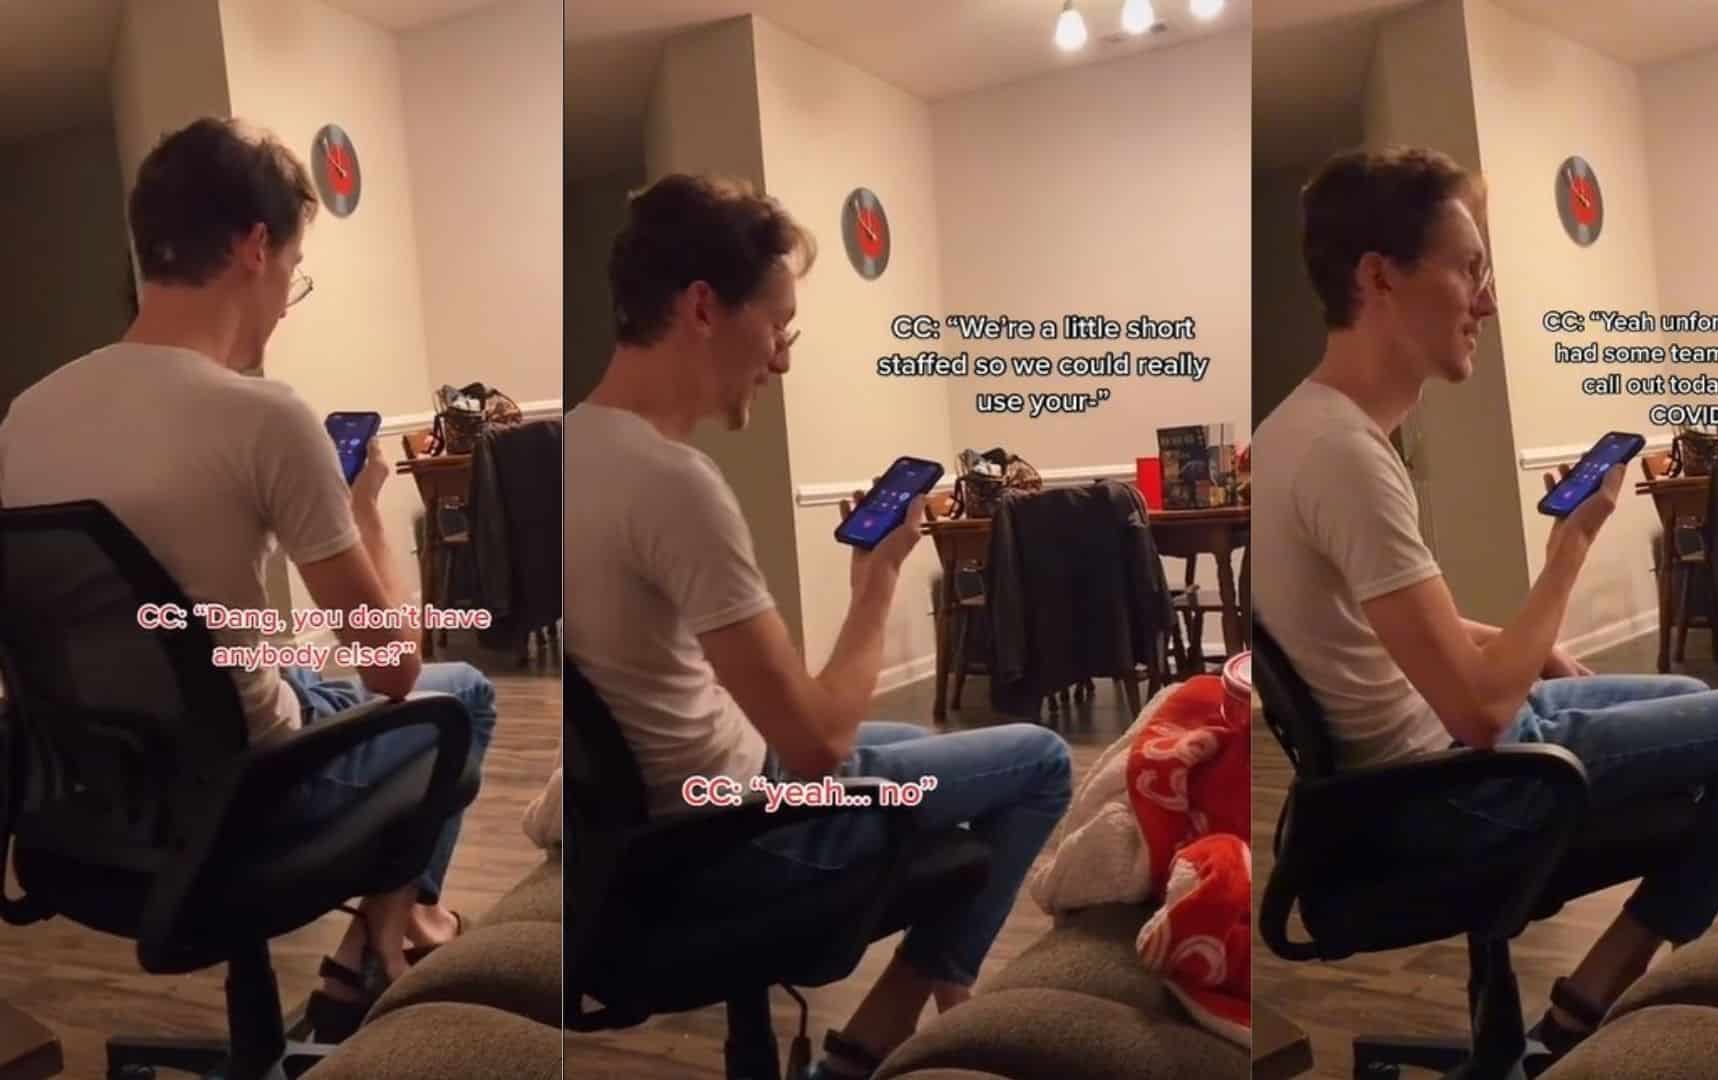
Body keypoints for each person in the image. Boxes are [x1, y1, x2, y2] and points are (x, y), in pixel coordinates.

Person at [1252, 145, 1718, 1060]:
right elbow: (1477, 710)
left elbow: (1368, 617)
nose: (1489, 300)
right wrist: (1570, 552)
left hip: (1406, 766)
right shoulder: (1343, 457)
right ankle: (1596, 996)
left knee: (1681, 702)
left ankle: (1587, 999)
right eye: (1470, 269)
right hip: (1448, 791)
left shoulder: (1301, 432)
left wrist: (1533, 648)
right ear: (1380, 277)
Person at [565, 173, 1072, 1080]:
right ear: (703, 308)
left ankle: (907, 1026)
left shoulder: (571, 451)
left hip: (659, 832)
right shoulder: (672, 485)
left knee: (915, 748)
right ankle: (899, 1029)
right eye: (780, 326)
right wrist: (877, 583)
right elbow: (817, 746)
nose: (784, 359)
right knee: (1038, 763)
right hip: (750, 832)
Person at [0, 117, 496, 1039]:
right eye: (292, 273)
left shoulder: (26, 415)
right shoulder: (263, 417)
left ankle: (376, 946)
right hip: (243, 800)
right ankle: (390, 943)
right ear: (255, 247)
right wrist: (361, 515)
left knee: (309, 680)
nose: (283, 301)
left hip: (83, 806)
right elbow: (392, 667)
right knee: (458, 691)